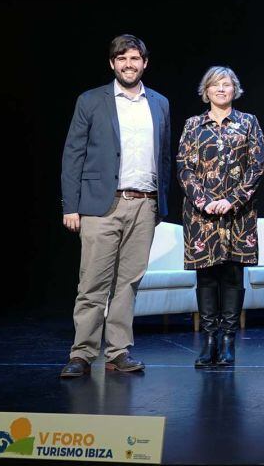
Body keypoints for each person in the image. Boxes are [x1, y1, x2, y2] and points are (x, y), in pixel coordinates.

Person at [59, 34, 172, 378]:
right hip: (100, 205)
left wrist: (160, 204)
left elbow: (164, 156)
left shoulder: (159, 102)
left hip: (144, 204)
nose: (128, 64)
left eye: (134, 58)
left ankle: (118, 352)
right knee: (93, 283)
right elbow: (73, 155)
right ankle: (82, 354)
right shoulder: (91, 101)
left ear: (145, 63)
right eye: (121, 59)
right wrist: (70, 205)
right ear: (112, 64)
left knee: (128, 283)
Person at [177, 66, 264, 368]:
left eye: (227, 85)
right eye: (216, 85)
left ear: (234, 89)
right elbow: (184, 168)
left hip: (238, 215)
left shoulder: (249, 123)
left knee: (232, 274)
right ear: (207, 90)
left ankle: (228, 341)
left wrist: (233, 200)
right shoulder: (193, 125)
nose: (221, 90)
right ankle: (209, 340)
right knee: (206, 276)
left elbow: (256, 167)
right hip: (202, 217)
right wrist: (205, 201)